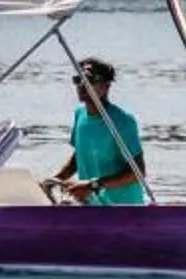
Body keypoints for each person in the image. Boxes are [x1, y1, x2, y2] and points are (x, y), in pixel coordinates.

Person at [50, 57, 148, 204]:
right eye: (78, 79)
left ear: (106, 86)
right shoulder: (80, 114)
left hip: (125, 208)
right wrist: (55, 180)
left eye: (89, 79)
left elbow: (138, 172)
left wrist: (92, 185)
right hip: (94, 205)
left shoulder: (122, 120)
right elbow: (79, 155)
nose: (82, 85)